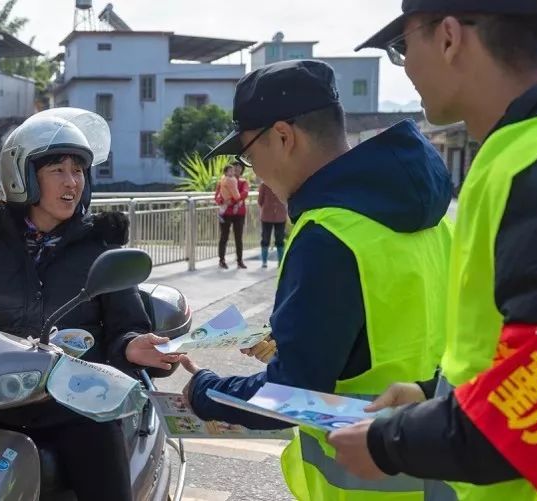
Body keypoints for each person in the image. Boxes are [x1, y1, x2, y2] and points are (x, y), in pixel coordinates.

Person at [329, 1, 537, 500]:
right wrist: (434, 397)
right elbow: (528, 344)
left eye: (403, 46)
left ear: (449, 37)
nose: (405, 65)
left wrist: (392, 443)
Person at [180, 59, 454, 500]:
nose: (252, 171)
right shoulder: (431, 216)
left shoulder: (326, 233)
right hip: (438, 475)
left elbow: (291, 394)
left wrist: (207, 390)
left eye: (248, 154)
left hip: (364, 486)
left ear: (284, 136)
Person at [0, 108, 180, 501]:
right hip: (0, 406)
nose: (72, 181)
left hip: (79, 407)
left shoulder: (99, 246)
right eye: (57, 170)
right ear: (23, 176)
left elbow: (126, 326)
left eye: (79, 170)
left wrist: (134, 345)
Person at [215, 161, 249, 269]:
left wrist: (233, 201)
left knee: (238, 237)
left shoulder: (243, 182)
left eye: (239, 168)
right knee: (224, 236)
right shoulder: (223, 181)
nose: (237, 170)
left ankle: (239, 260)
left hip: (239, 213)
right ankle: (222, 260)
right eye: (235, 168)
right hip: (226, 213)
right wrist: (222, 201)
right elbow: (217, 196)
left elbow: (245, 193)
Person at [258, 180, 287, 267]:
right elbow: (260, 200)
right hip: (267, 216)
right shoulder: (264, 185)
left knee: (280, 239)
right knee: (265, 238)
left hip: (280, 216)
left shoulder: (284, 184)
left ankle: (280, 261)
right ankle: (264, 261)